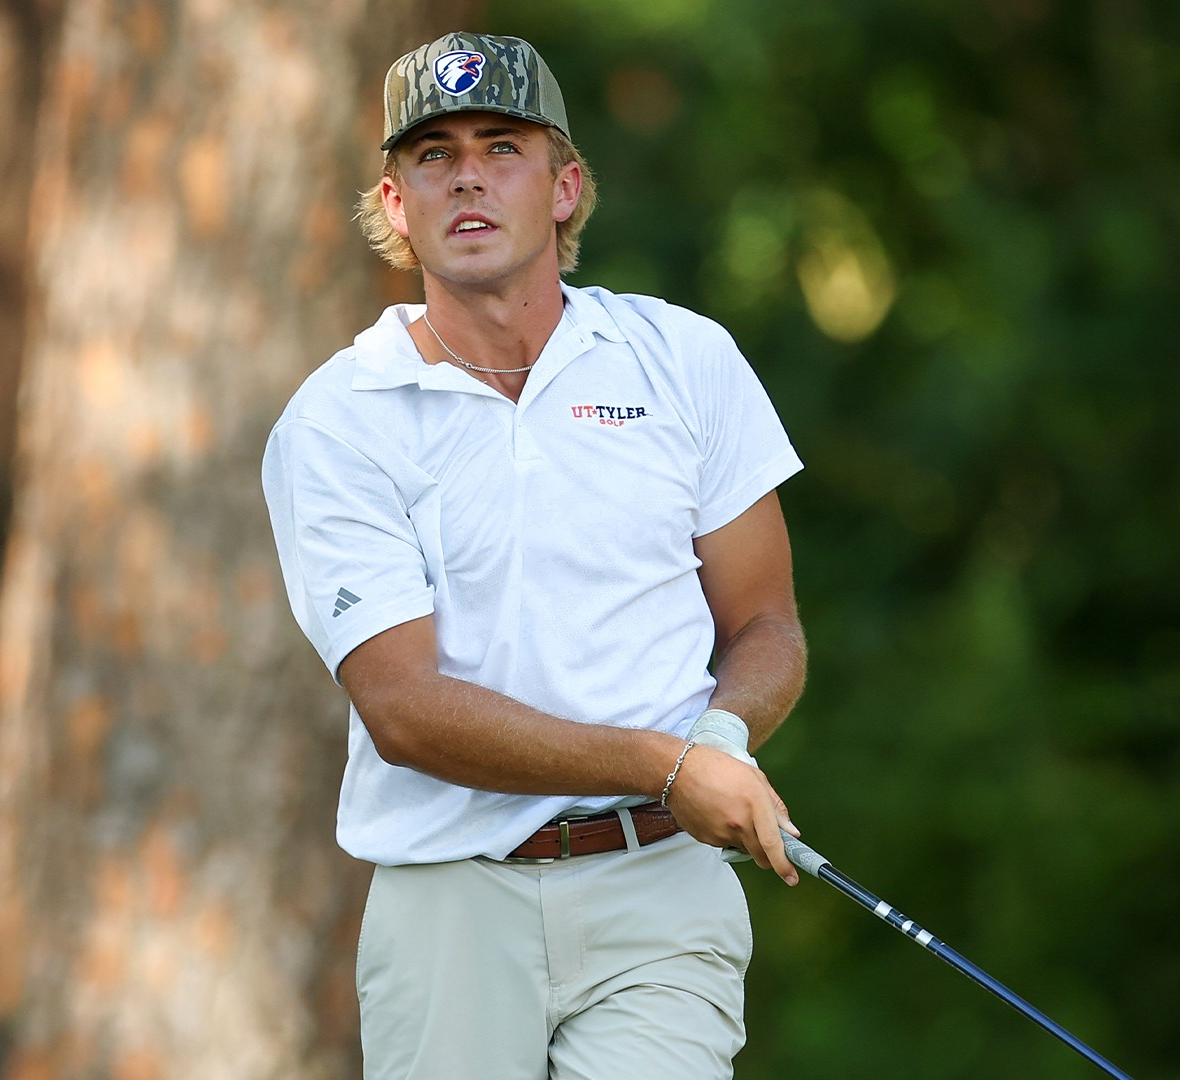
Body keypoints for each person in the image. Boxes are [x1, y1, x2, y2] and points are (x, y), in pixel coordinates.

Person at [261, 31, 807, 1079]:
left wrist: (723, 740)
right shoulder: (337, 421)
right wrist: (666, 761)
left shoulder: (685, 360)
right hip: (449, 901)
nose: (467, 173)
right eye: (433, 155)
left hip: (659, 888)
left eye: (500, 145)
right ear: (394, 207)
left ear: (565, 188)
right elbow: (403, 708)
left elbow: (766, 623)